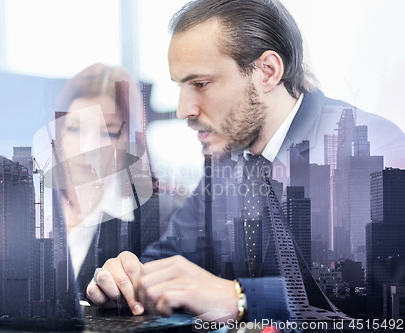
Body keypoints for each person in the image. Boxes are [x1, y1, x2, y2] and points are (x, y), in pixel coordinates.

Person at [86, 0, 405, 323]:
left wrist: (238, 296)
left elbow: (383, 295)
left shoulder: (373, 150)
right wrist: (127, 276)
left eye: (200, 84)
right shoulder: (225, 164)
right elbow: (172, 257)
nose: (183, 110)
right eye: (180, 86)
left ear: (267, 72)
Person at [52, 63, 153, 294]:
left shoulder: (154, 218)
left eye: (108, 133)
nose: (88, 149)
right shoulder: (26, 206)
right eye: (75, 129)